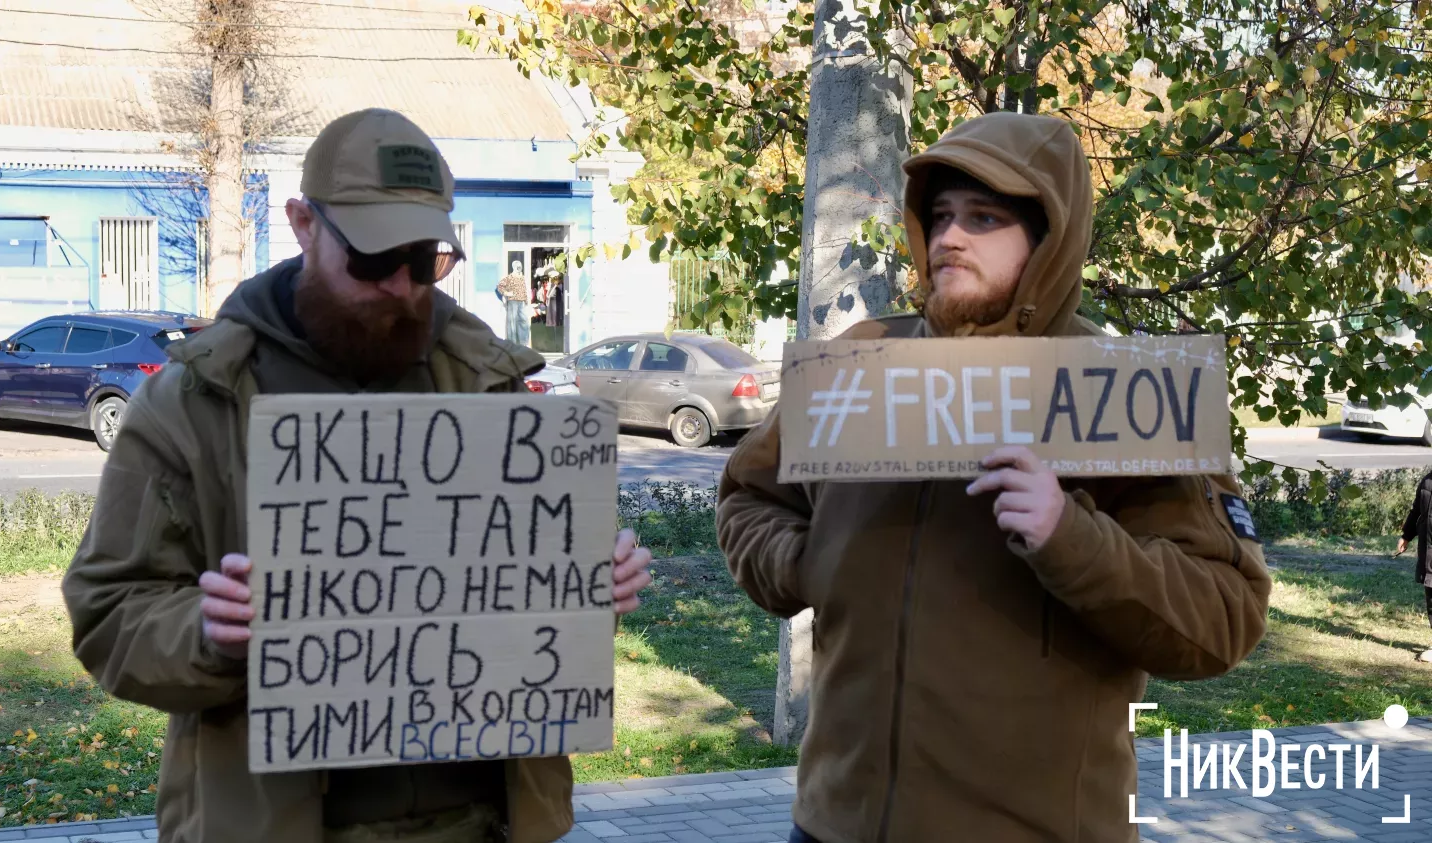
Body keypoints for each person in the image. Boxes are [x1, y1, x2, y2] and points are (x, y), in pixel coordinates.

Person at [61, 108, 653, 843]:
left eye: (426, 259)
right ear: (304, 224)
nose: (403, 287)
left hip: (482, 821)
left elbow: (512, 604)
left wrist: (585, 587)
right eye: (374, 261)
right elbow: (109, 613)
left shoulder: (486, 383)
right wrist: (210, 634)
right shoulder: (194, 403)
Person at [715, 112, 1272, 843]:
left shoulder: (1121, 391)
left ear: (1047, 240)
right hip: (833, 823)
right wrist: (805, 560)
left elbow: (1223, 616)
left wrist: (1070, 536)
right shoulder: (862, 358)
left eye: (984, 218)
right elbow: (746, 497)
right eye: (940, 216)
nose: (949, 238)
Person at [1394, 468, 1432, 662]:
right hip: (1429, 552)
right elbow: (1416, 510)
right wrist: (1406, 535)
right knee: (1431, 598)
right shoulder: (1427, 481)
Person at [496, 259, 530, 346]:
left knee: (523, 320)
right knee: (512, 322)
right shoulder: (510, 277)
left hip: (521, 301)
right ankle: (512, 342)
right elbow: (500, 286)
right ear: (514, 267)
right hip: (513, 301)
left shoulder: (522, 278)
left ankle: (523, 342)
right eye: (518, 266)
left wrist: (525, 300)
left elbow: (523, 289)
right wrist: (506, 293)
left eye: (520, 266)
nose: (519, 268)